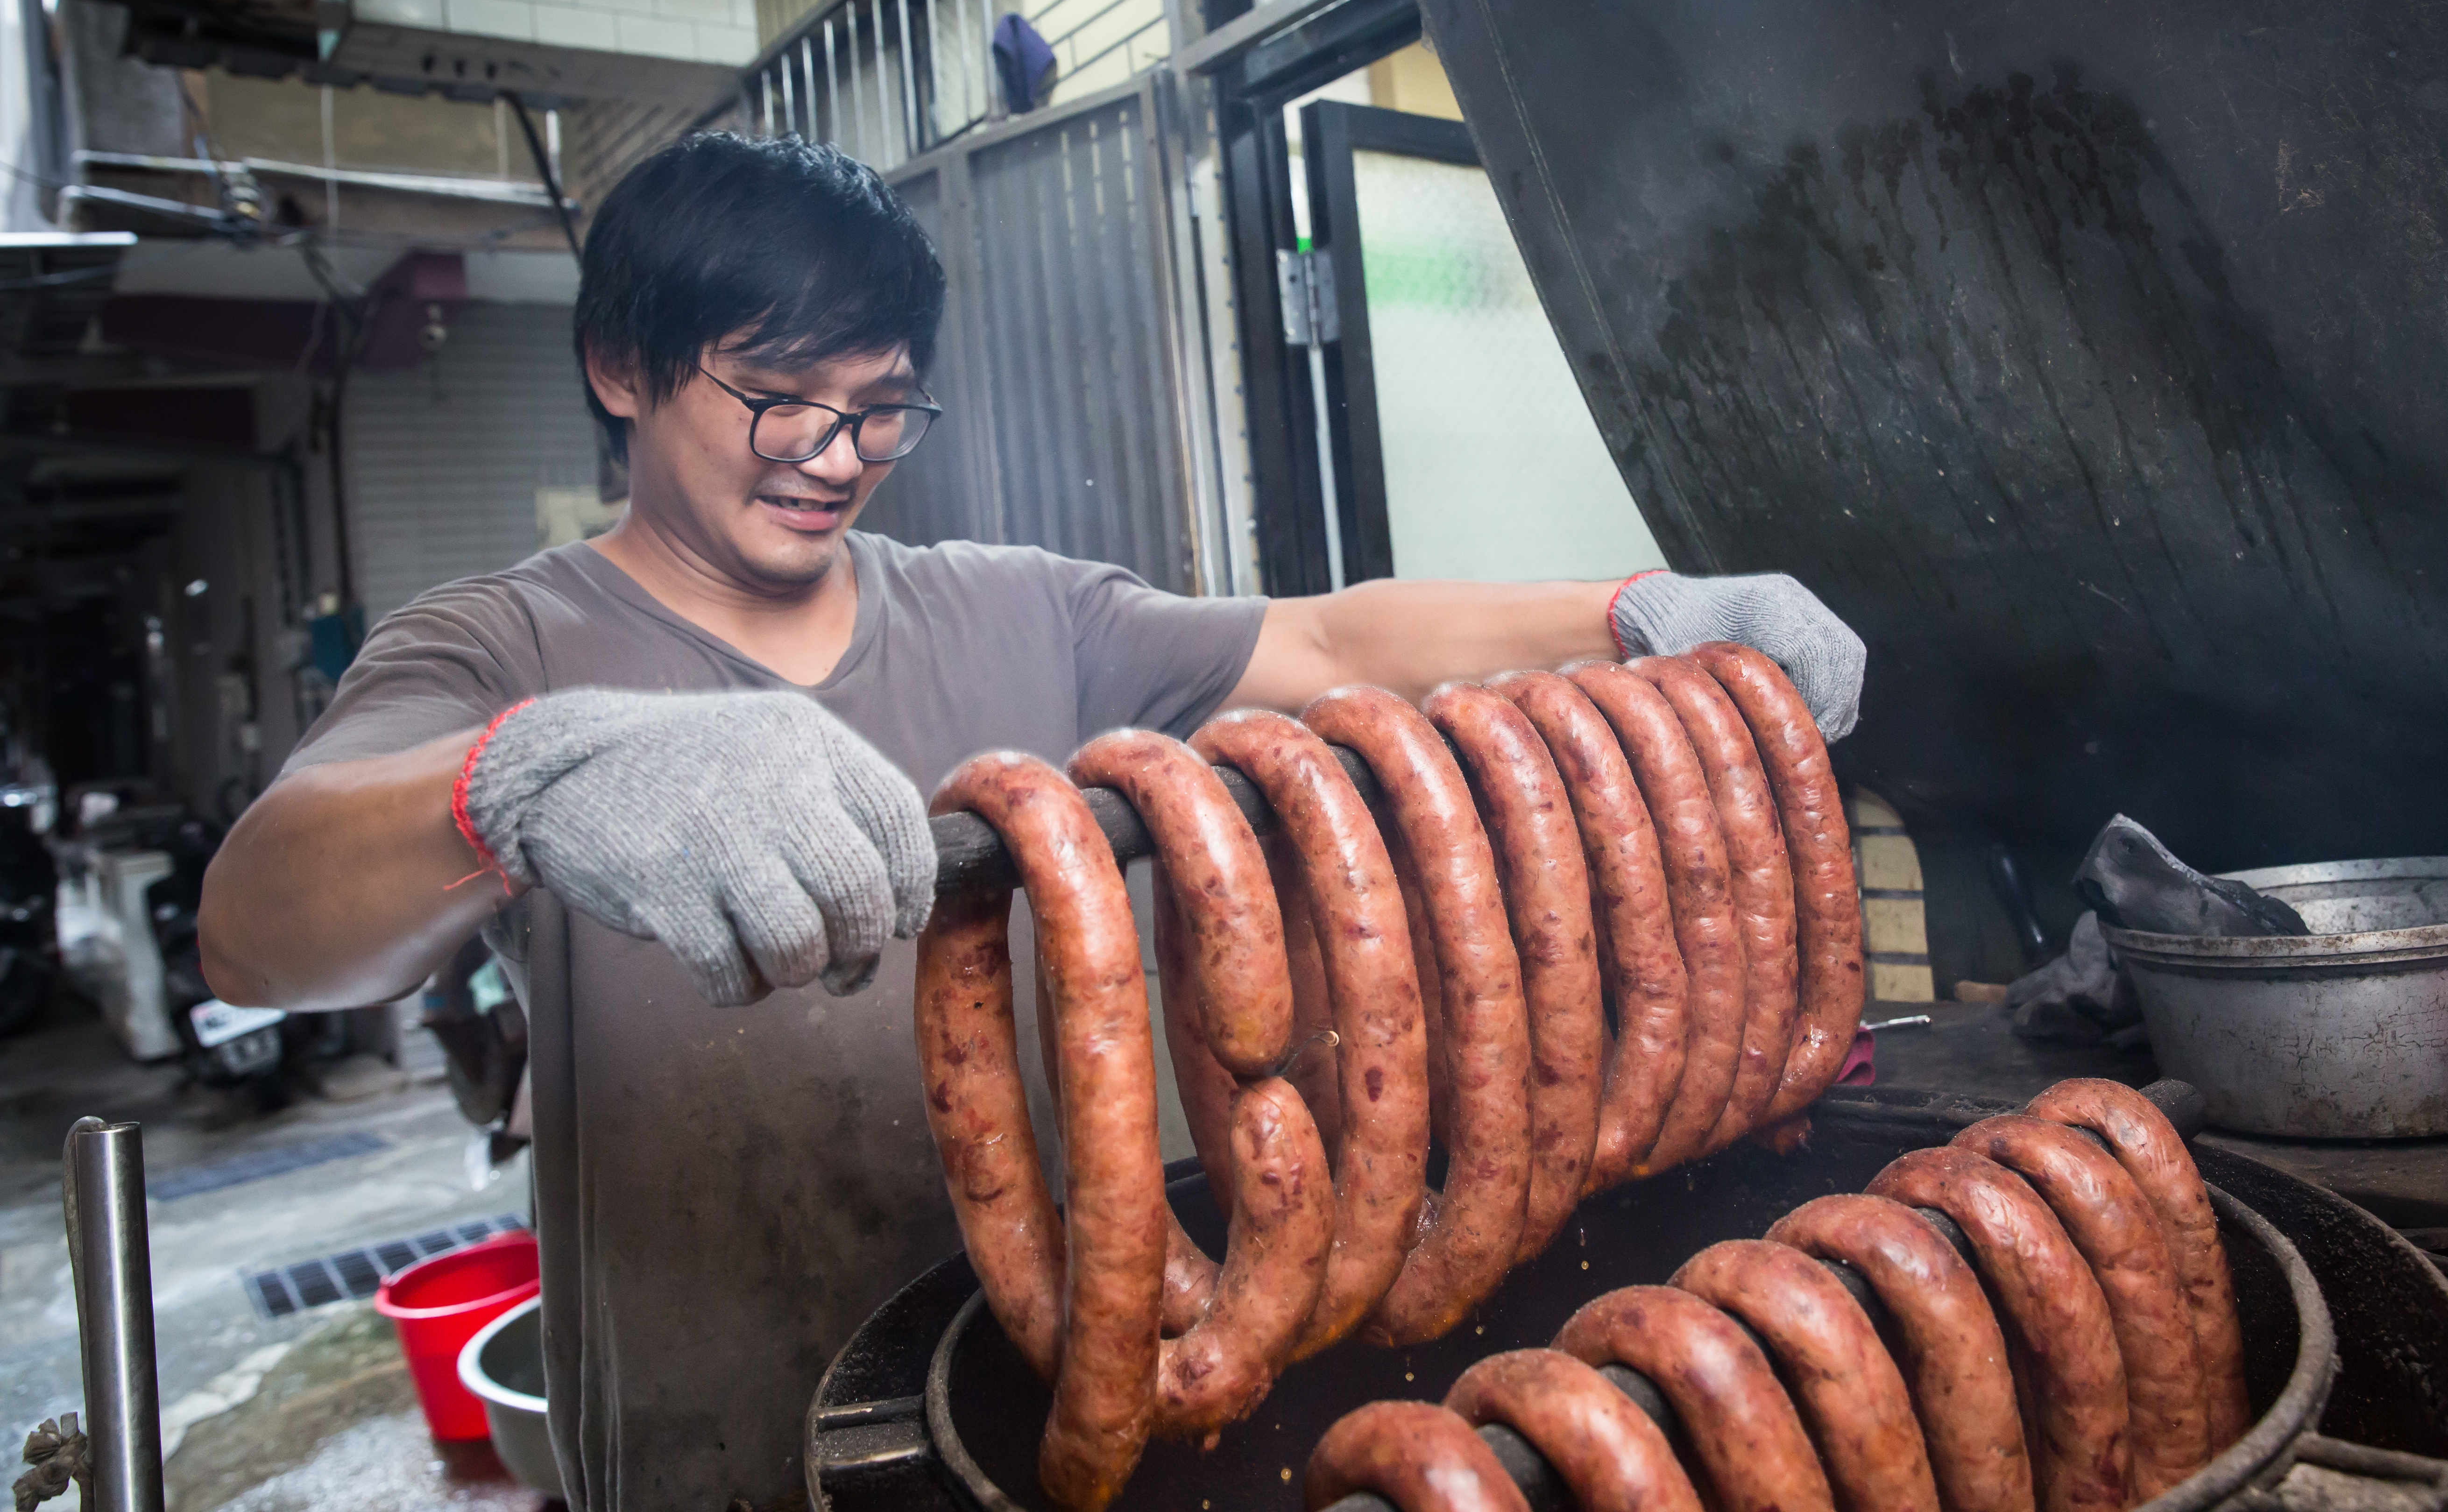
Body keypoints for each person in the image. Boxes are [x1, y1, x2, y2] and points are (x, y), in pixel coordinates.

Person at [198, 134, 1864, 1512]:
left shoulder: (1021, 614)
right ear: (618, 367)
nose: (838, 456)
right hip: (717, 1438)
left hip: (1056, 1402)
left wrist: (1634, 604)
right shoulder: (499, 647)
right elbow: (257, 929)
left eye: (882, 405)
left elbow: (1335, 643)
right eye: (781, 395)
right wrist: (522, 778)